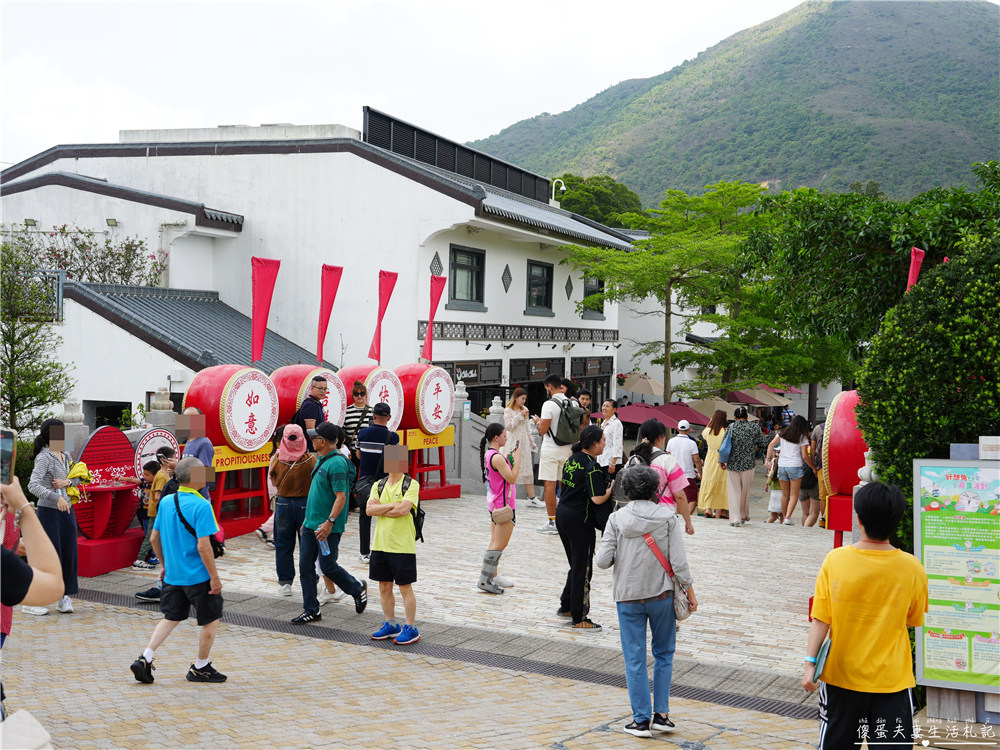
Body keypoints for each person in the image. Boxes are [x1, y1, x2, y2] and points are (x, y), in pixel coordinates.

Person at [803, 482, 928, 749]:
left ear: (858, 518)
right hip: (892, 681)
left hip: (841, 678)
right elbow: (913, 619)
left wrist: (810, 664)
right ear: (896, 521)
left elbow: (821, 619)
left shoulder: (835, 560)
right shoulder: (912, 568)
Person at [596, 466, 697, 738]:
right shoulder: (668, 517)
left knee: (634, 658)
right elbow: (678, 562)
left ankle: (640, 721)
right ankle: (661, 716)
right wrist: (690, 592)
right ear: (655, 490)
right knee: (664, 654)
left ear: (627, 492)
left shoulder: (616, 519)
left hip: (628, 596)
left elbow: (602, 561)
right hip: (661, 595)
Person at [130, 457, 227, 684]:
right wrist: (214, 578)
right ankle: (200, 667)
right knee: (211, 619)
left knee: (171, 617)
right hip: (198, 576)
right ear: (195, 477)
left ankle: (145, 657)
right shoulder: (202, 505)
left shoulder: (167, 501)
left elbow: (154, 538)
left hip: (173, 575)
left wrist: (165, 566)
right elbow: (204, 547)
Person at [291, 423, 367, 623]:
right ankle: (311, 609)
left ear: (323, 441)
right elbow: (317, 494)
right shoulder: (321, 459)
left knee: (328, 566)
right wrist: (307, 520)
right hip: (311, 525)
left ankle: (357, 588)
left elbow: (341, 497)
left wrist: (329, 522)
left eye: (314, 438)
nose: (311, 440)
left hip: (326, 528)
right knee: (306, 567)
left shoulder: (337, 464)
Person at [556, 425, 613, 630]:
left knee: (576, 564)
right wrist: (611, 488)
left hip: (562, 514)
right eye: (603, 440)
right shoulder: (592, 466)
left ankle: (566, 606)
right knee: (583, 569)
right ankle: (579, 617)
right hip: (580, 520)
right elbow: (597, 498)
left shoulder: (572, 459)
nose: (605, 444)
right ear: (595, 443)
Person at [368, 445, 421, 645]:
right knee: (384, 586)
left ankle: (411, 628)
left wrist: (381, 508)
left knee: (405, 587)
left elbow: (403, 511)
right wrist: (392, 506)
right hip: (380, 544)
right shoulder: (378, 485)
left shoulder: (411, 484)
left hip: (402, 545)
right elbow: (368, 511)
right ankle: (391, 624)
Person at [24, 418, 79, 616]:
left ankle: (63, 597)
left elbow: (78, 477)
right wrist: (56, 497)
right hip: (48, 514)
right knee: (48, 557)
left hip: (67, 512)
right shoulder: (44, 457)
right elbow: (33, 485)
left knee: (68, 554)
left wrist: (67, 483)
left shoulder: (65, 454)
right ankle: (32, 601)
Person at [270, 424, 318, 598]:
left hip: (283, 504)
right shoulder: (310, 460)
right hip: (306, 504)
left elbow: (274, 481)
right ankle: (311, 579)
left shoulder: (277, 459)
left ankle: (285, 582)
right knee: (308, 545)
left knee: (283, 544)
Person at [478, 423, 520, 594]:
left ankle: (492, 576)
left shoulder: (490, 454)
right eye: (504, 435)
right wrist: (517, 459)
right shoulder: (496, 457)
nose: (506, 438)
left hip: (495, 503)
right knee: (499, 544)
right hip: (503, 506)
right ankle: (485, 580)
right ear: (496, 438)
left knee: (495, 541)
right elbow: (512, 478)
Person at [356, 402, 400, 562]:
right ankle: (387, 550)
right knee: (388, 515)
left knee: (365, 517)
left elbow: (359, 456)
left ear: (373, 416)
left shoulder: (362, 433)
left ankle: (364, 553)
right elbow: (397, 465)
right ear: (389, 417)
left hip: (365, 484)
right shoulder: (394, 438)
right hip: (386, 484)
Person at [634, 419, 695, 535]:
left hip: (635, 515)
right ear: (659, 437)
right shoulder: (667, 460)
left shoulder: (633, 460)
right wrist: (688, 522)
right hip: (662, 516)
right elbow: (680, 496)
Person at [135, 448, 177, 602]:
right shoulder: (164, 475)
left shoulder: (203, 444)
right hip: (171, 510)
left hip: (186, 504)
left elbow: (205, 478)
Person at [534, 373, 572, 535]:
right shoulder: (570, 402)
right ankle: (567, 519)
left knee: (550, 485)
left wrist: (537, 423)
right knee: (566, 484)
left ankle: (552, 522)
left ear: (549, 386)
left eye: (546, 389)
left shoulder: (549, 404)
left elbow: (543, 430)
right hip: (567, 448)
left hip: (551, 449)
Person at [720, 407, 769, 526]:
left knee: (734, 491)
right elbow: (763, 443)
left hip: (733, 463)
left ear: (735, 418)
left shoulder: (731, 427)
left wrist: (721, 460)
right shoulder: (754, 427)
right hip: (749, 464)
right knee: (745, 491)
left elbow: (723, 444)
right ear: (747, 417)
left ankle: (735, 519)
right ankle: (743, 514)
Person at [765, 415, 815, 525]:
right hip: (795, 466)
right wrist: (813, 467)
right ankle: (787, 517)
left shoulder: (782, 433)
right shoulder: (802, 437)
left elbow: (771, 444)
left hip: (782, 466)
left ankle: (784, 518)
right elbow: (805, 456)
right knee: (794, 495)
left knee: (784, 494)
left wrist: (767, 459)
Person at [503, 388, 540, 507]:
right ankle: (506, 497)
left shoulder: (525, 409)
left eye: (525, 399)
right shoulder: (508, 410)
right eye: (522, 398)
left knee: (527, 470)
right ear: (516, 398)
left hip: (524, 443)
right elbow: (509, 426)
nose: (524, 401)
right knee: (511, 468)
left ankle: (532, 498)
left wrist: (532, 443)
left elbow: (527, 429)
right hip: (512, 442)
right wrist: (519, 415)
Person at [129, 461, 162, 569]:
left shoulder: (160, 481)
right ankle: (148, 556)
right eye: (144, 474)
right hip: (146, 513)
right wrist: (121, 478)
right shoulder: (147, 482)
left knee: (151, 535)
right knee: (150, 534)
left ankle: (152, 555)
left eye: (147, 475)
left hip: (153, 513)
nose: (145, 477)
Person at [665, 420, 701, 518]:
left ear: (678, 429)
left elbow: (668, 458)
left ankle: (679, 517)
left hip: (674, 474)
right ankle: (687, 517)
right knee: (692, 499)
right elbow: (697, 461)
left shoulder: (671, 441)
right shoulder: (692, 443)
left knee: (677, 498)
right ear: (689, 430)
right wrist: (701, 473)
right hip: (688, 475)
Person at [697, 411, 729, 520]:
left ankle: (708, 509)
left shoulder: (708, 431)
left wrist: (709, 423)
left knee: (709, 482)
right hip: (722, 458)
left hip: (710, 458)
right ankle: (722, 510)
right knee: (721, 483)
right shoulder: (726, 431)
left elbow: (703, 433)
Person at [179, 407, 215, 500]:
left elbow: (206, 476)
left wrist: (178, 466)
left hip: (199, 498)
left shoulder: (204, 443)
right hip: (186, 496)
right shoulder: (189, 441)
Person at [296, 376, 329, 448]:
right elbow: (311, 431)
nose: (323, 391)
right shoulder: (310, 405)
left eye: (325, 389)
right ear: (312, 388)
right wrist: (319, 448)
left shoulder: (317, 403)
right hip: (312, 448)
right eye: (320, 388)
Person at [598, 399, 624, 480]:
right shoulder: (603, 423)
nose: (604, 408)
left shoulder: (616, 423)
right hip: (602, 459)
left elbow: (618, 443)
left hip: (611, 461)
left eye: (607, 406)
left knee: (610, 483)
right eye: (603, 406)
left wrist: (613, 462)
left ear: (614, 409)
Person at [812, 421, 828, 527]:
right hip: (834, 466)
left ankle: (824, 519)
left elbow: (813, 449)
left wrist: (815, 465)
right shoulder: (838, 426)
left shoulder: (818, 428)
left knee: (823, 495)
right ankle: (826, 517)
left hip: (821, 466)